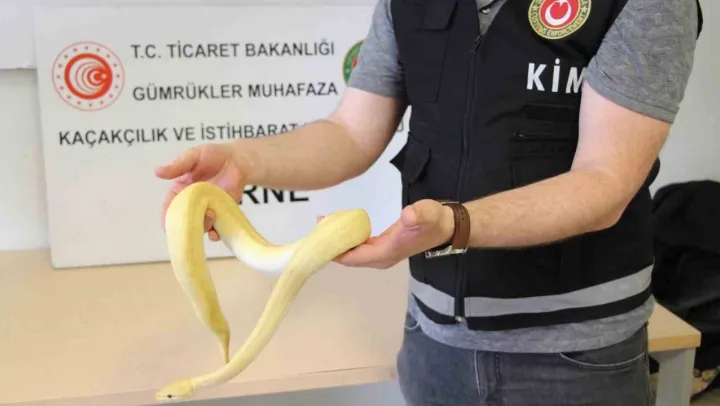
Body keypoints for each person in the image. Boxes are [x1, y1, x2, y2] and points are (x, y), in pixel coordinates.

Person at [156, 0, 703, 404]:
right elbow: (351, 133)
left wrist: (454, 224)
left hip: (573, 358)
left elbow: (603, 182)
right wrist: (242, 162)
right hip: (432, 339)